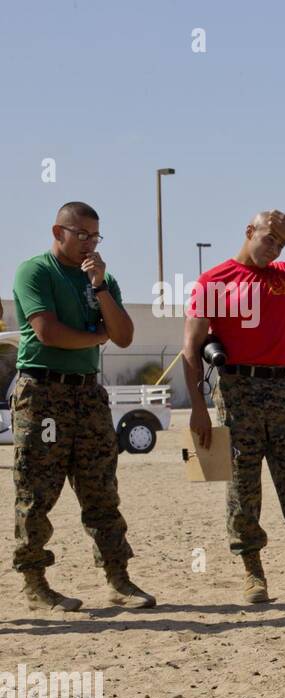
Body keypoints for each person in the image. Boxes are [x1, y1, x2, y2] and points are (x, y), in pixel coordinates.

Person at [10, 201, 155, 610]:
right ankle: (35, 584)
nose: (89, 243)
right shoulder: (35, 271)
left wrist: (100, 285)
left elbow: (123, 335)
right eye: (82, 235)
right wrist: (97, 336)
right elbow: (49, 333)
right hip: (43, 393)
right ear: (59, 232)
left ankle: (118, 580)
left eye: (95, 235)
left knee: (101, 490)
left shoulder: (101, 280)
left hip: (88, 394)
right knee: (37, 491)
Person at [182, 210, 285, 604]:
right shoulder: (213, 281)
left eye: (279, 243)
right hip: (236, 392)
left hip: (284, 390)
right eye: (268, 239)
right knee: (241, 486)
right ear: (249, 232)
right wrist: (196, 408)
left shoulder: (283, 273)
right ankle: (253, 573)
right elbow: (190, 347)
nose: (273, 248)